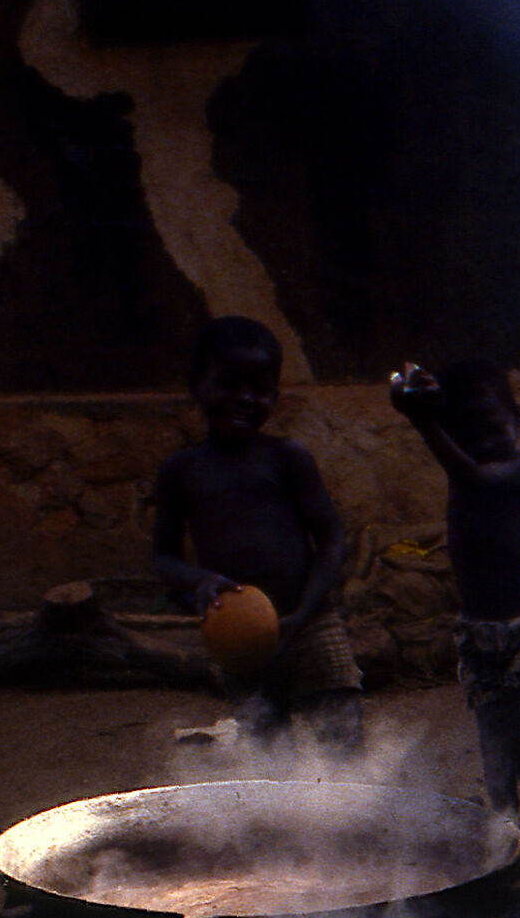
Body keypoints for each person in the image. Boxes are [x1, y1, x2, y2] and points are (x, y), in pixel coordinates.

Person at [151, 316, 362, 755]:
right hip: (239, 636)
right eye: (229, 384)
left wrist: (305, 610)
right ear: (196, 385)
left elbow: (331, 538)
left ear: (275, 396)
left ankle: (349, 803)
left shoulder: (287, 458)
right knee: (265, 748)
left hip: (312, 623)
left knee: (343, 741)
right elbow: (163, 557)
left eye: (260, 389)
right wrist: (200, 581)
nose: (245, 399)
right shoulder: (180, 471)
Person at [389, 359, 520, 836]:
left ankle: (504, 836)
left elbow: (476, 480)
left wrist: (422, 421)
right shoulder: (463, 470)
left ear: (517, 418)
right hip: (476, 634)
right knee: (504, 738)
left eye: (490, 427)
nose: (482, 442)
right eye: (465, 434)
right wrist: (426, 407)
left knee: (501, 739)